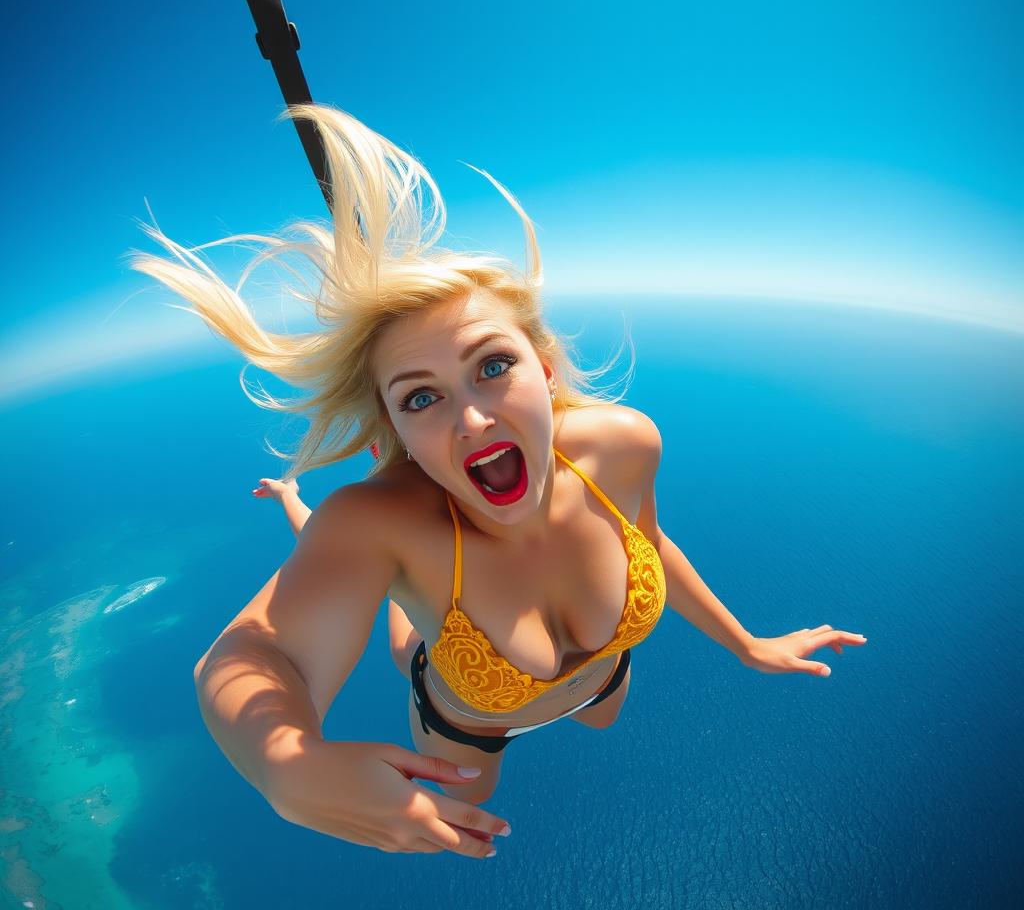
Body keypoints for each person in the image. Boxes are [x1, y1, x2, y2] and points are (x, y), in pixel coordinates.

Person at [126, 103, 866, 860]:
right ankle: (309, 522)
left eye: (492, 366)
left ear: (544, 370)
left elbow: (647, 540)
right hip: (464, 722)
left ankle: (346, 552)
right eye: (421, 397)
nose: (474, 420)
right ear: (397, 431)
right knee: (431, 700)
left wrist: (746, 646)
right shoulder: (381, 521)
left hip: (599, 686)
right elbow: (250, 652)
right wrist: (287, 765)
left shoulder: (623, 445)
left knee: (565, 692)